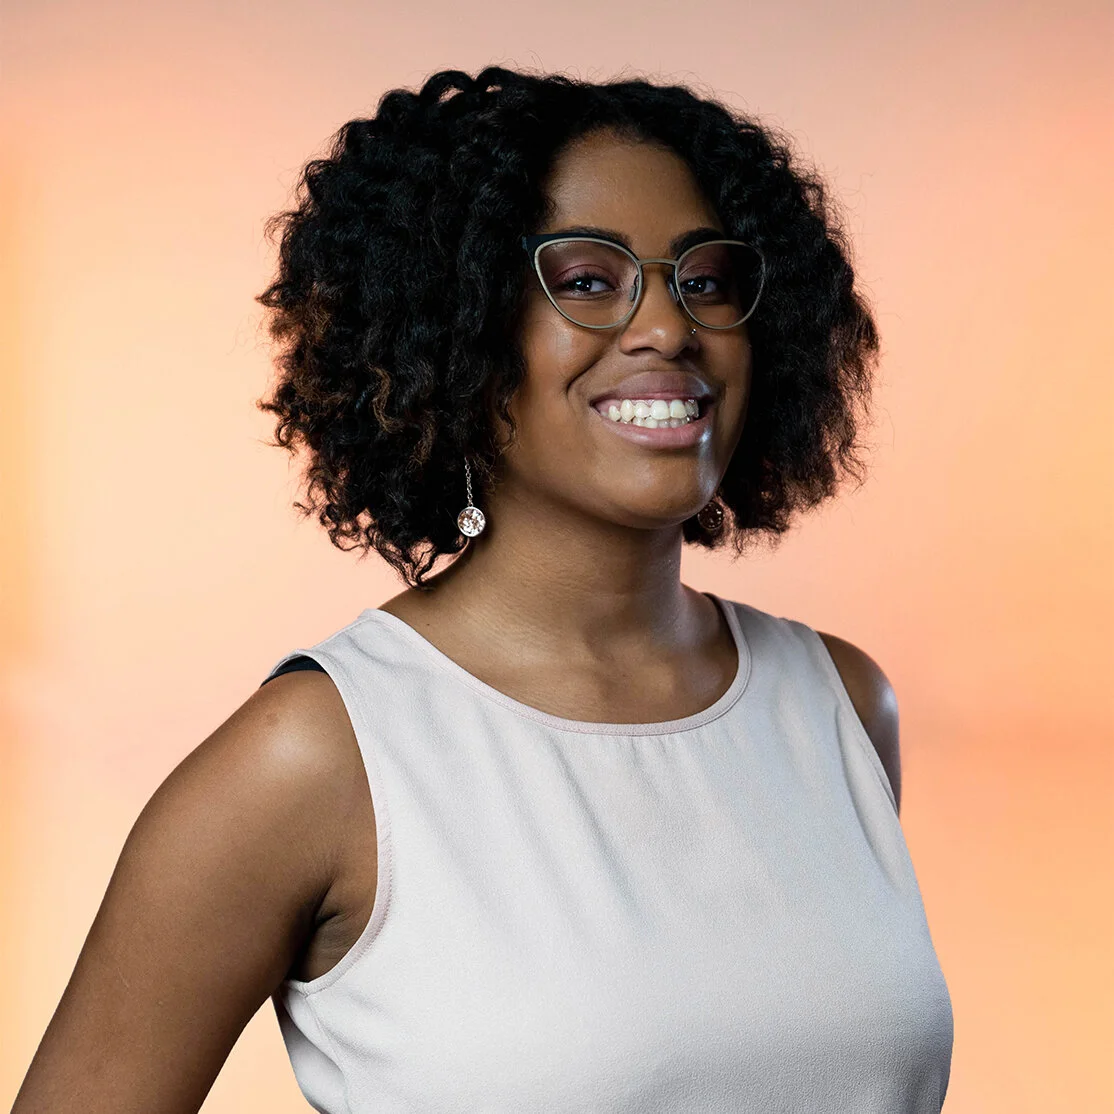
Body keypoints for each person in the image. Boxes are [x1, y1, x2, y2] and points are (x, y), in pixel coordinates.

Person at [13, 66, 953, 1113]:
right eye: (586, 280)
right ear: (451, 327)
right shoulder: (318, 759)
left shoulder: (840, 703)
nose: (669, 327)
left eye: (707, 279)